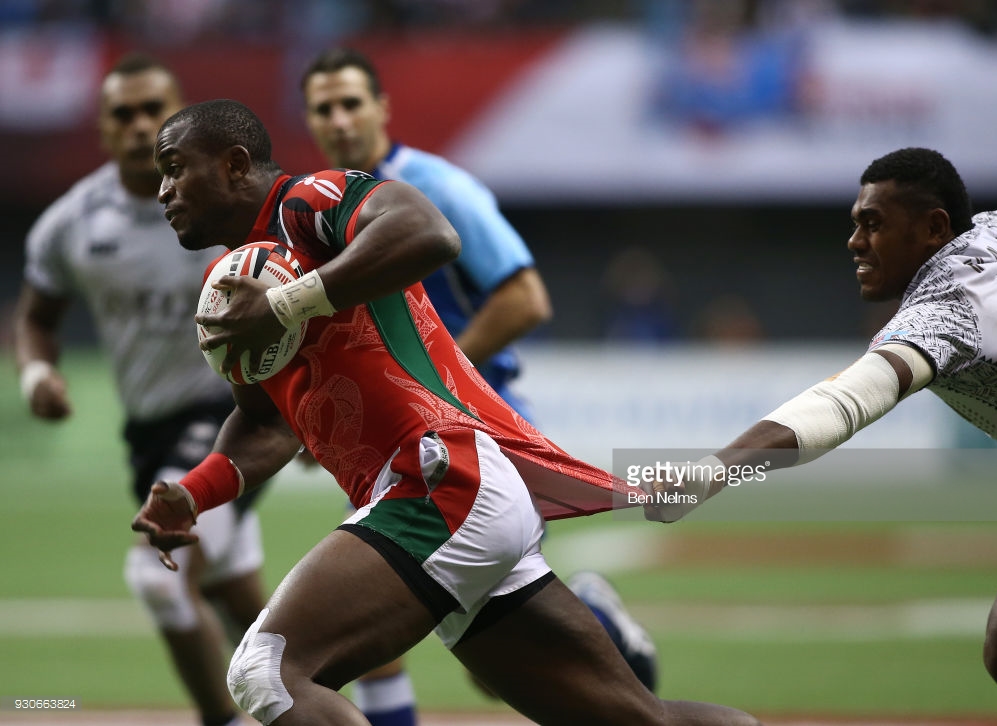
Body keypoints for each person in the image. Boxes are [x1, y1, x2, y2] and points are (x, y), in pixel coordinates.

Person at [132, 98, 760, 726]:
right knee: (638, 721)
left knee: (267, 669)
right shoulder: (230, 277)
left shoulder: (309, 201)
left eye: (174, 168)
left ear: (236, 164)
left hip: (439, 476)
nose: (162, 190)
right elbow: (268, 423)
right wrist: (194, 492)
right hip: (449, 493)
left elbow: (428, 232)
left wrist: (289, 304)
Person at [299, 46, 658, 717]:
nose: (341, 119)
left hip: (479, 443)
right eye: (325, 108)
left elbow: (525, 298)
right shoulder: (327, 208)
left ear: (383, 108)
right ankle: (608, 641)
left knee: (461, 644)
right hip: (405, 446)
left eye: (353, 102)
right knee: (447, 649)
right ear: (309, 120)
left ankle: (612, 642)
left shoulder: (438, 189)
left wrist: (428, 380)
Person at [641, 146, 997, 723]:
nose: (854, 241)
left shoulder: (947, 309)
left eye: (873, 224)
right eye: (854, 223)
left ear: (934, 228)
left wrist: (713, 472)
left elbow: (844, 403)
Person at [13, 56, 266, 726]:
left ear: (179, 116)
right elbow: (37, 314)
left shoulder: (228, 201)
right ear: (102, 126)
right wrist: (38, 372)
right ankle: (362, 707)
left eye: (153, 109)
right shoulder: (73, 223)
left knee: (154, 572)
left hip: (229, 414)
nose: (139, 124)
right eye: (123, 113)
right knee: (244, 607)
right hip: (148, 432)